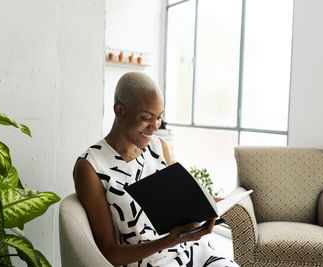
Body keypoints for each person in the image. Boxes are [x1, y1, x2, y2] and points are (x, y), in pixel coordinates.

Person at [73, 72, 239, 267]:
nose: (154, 127)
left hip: (192, 250)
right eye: (146, 118)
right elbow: (108, 253)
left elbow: (179, 205)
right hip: (151, 263)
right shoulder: (91, 166)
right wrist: (170, 240)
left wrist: (207, 205)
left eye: (159, 118)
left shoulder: (158, 147)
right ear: (120, 111)